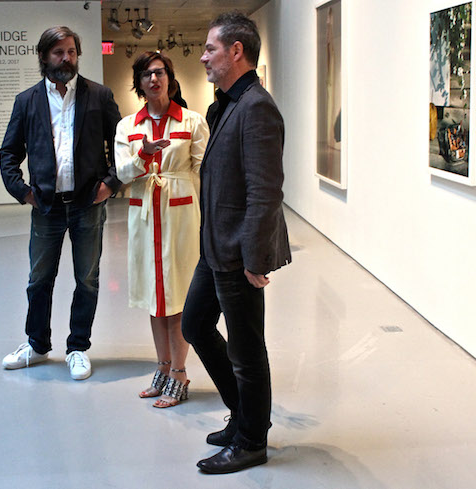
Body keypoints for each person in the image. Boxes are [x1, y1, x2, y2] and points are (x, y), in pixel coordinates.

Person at [181, 12, 291, 473]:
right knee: (195, 326)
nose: (203, 56)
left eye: (210, 49)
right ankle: (242, 413)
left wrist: (253, 256)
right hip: (215, 247)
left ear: (236, 51)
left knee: (248, 350)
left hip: (238, 251)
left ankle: (251, 441)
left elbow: (265, 191)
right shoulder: (227, 103)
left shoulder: (256, 106)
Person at [0, 26, 121, 380]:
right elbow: (9, 152)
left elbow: (120, 145)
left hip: (88, 204)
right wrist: (22, 191)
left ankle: (78, 347)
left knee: (87, 279)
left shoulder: (99, 96)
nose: (66, 58)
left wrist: (109, 184)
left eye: (70, 51)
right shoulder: (27, 101)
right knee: (39, 279)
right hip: (46, 207)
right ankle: (37, 345)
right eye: (58, 52)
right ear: (43, 57)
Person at [114, 52, 209, 408]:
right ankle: (163, 366)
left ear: (170, 78)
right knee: (155, 300)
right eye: (147, 74)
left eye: (161, 72)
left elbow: (204, 172)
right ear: (138, 82)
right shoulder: (128, 127)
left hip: (180, 216)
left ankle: (180, 372)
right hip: (144, 216)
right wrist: (143, 155)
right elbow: (122, 173)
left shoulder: (192, 121)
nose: (154, 79)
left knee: (178, 295)